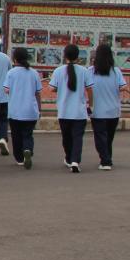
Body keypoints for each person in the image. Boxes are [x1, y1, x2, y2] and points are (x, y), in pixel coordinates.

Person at [50, 43, 94, 173]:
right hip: (79, 111)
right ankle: (75, 161)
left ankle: (69, 158)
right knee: (77, 137)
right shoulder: (84, 71)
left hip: (63, 111)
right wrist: (90, 105)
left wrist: (61, 89)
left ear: (65, 56)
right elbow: (90, 89)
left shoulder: (58, 71)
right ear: (78, 56)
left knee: (66, 138)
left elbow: (52, 88)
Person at [2, 48, 42, 169]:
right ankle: (28, 149)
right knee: (28, 134)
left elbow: (6, 89)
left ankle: (19, 158)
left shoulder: (11, 73)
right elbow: (38, 93)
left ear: (14, 59)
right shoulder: (34, 73)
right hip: (30, 110)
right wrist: (39, 109)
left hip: (15, 110)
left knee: (16, 135)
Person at [88, 43, 126, 171]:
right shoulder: (116, 71)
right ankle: (108, 157)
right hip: (113, 110)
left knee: (100, 136)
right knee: (109, 137)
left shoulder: (90, 71)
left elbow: (86, 87)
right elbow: (123, 87)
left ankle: (105, 160)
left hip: (97, 111)